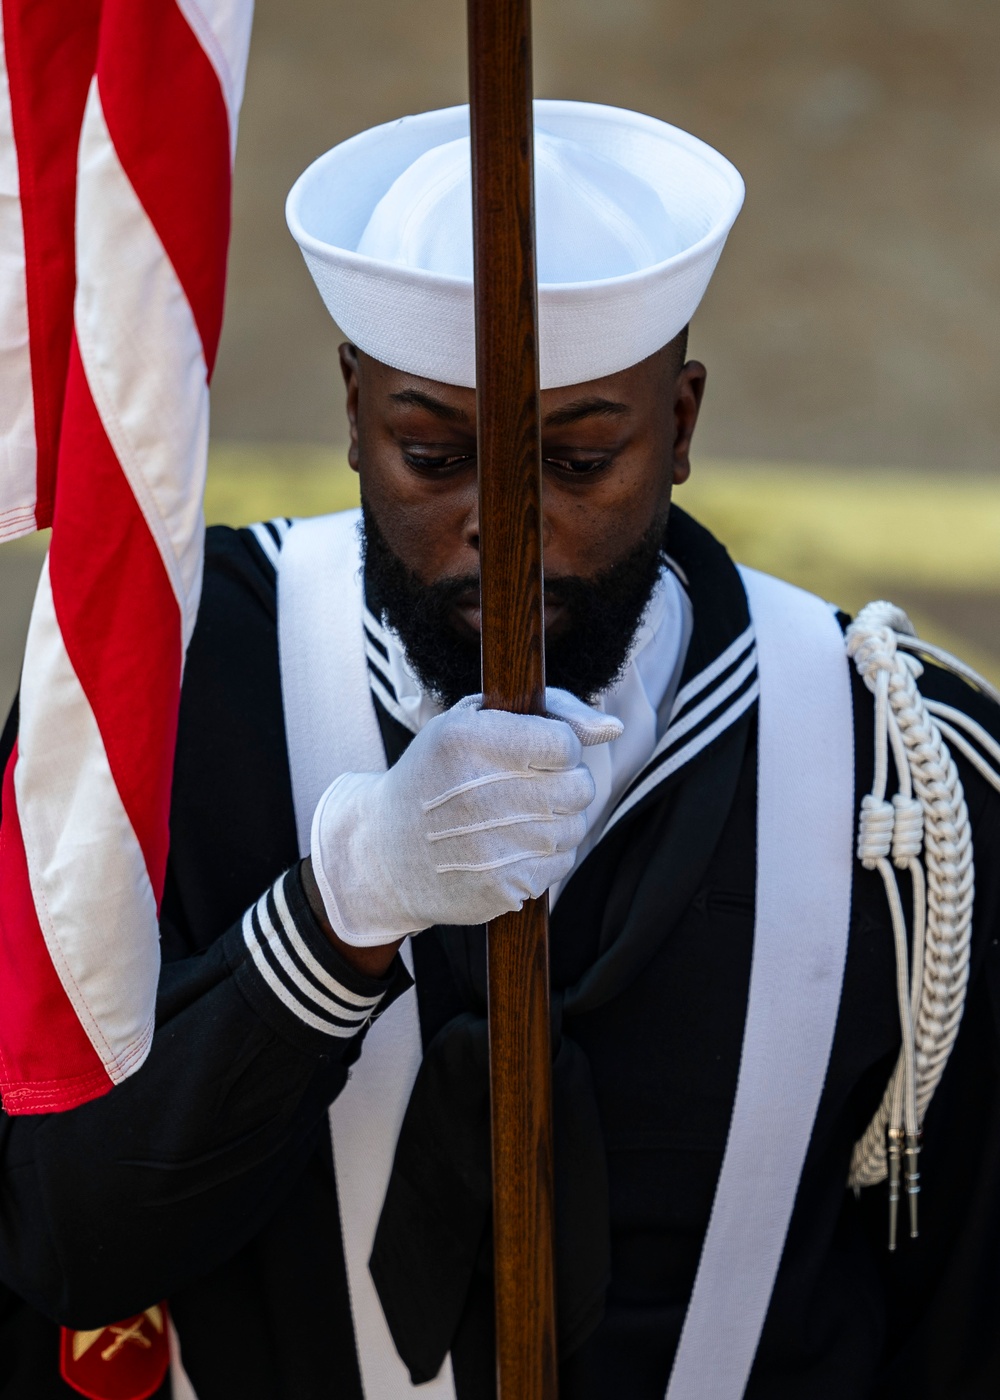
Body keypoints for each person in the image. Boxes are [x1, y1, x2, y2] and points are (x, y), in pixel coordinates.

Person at [1, 101, 999, 1400]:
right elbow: (60, 1239)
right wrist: (340, 911)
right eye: (435, 457)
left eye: (580, 462)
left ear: (682, 425)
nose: (506, 529)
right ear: (355, 410)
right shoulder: (166, 698)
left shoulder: (902, 776)